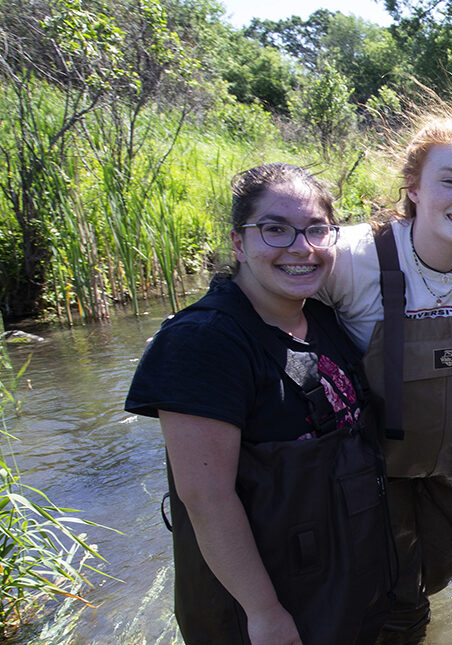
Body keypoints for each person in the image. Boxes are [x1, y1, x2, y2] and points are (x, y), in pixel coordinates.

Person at [125, 163, 391, 644]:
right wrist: (264, 612)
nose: (301, 247)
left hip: (339, 582)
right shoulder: (202, 342)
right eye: (275, 229)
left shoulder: (322, 319)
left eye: (316, 229)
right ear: (238, 242)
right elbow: (206, 498)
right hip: (261, 606)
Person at [318, 112, 452, 638]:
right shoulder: (352, 256)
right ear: (413, 187)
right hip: (373, 471)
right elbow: (275, 298)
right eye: (449, 181)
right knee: (393, 605)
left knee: (435, 578)